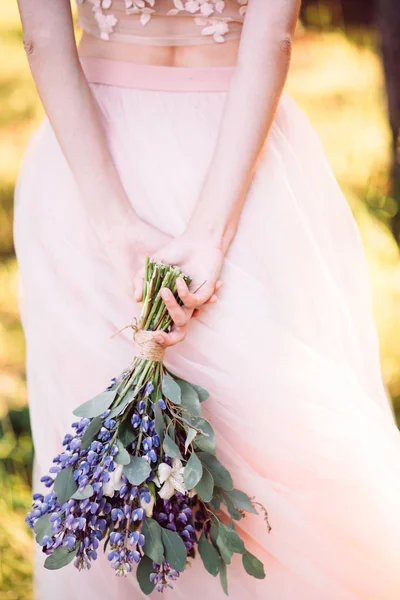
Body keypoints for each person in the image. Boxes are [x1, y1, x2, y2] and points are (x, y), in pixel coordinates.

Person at [14, 1, 400, 598]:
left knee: (100, 438)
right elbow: (273, 37)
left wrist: (113, 225)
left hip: (89, 168)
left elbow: (42, 38)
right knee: (273, 435)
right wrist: (212, 233)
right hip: (238, 161)